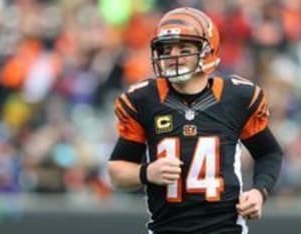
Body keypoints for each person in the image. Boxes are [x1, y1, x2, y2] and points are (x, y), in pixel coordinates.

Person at [108, 7, 282, 234]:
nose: (173, 56)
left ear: (208, 50)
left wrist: (259, 192)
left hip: (225, 229)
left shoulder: (237, 97)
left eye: (184, 48)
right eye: (167, 49)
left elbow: (269, 153)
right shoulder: (144, 99)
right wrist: (147, 173)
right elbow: (116, 171)